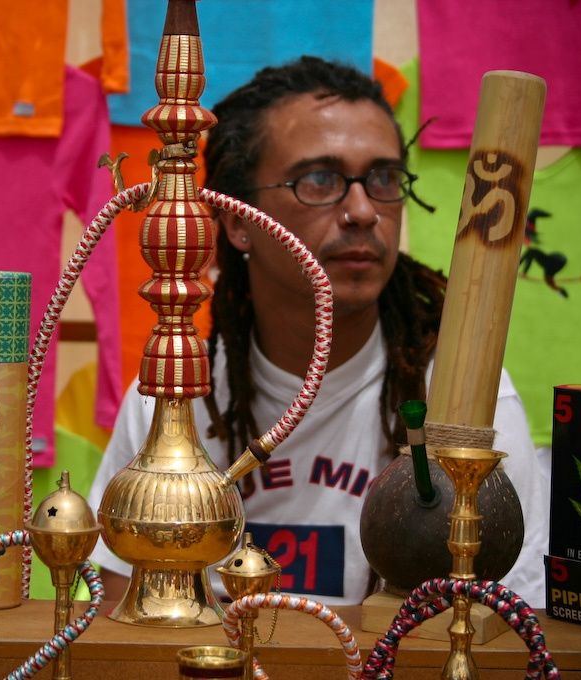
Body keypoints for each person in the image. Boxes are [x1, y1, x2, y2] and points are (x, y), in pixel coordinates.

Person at [86, 56, 549, 608]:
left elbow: (516, 618)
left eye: (383, 178)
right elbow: (123, 606)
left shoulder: (469, 403)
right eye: (320, 180)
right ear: (238, 221)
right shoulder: (170, 394)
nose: (363, 211)